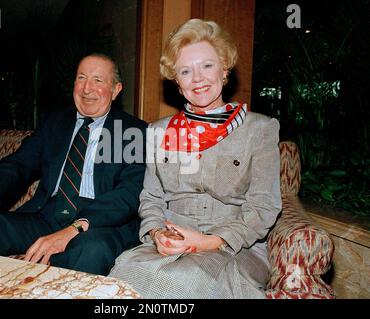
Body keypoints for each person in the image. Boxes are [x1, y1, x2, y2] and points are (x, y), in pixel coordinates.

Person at [109, 19, 282, 298]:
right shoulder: (158, 131)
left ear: (224, 69)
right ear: (177, 82)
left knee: (182, 284)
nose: (198, 78)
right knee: (120, 277)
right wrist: (156, 234)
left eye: (207, 66)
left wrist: (209, 241)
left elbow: (264, 206)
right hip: (170, 245)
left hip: (236, 248)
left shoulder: (259, 129)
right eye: (186, 71)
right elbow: (151, 197)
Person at [0, 53, 148, 276]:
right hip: (45, 215)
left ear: (116, 90)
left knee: (92, 250)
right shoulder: (54, 122)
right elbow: (19, 164)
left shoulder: (133, 131)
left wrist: (74, 228)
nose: (86, 88)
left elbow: (130, 193)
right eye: (81, 78)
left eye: (98, 80)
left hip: (98, 223)